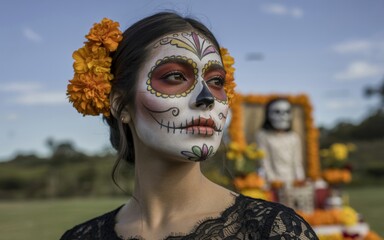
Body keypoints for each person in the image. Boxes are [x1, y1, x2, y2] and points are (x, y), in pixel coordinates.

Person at [61, 12, 318, 239]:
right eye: (175, 76)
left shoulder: (273, 231)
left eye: (216, 81)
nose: (206, 98)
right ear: (120, 105)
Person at [255, 98, 306, 187]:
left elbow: (297, 163)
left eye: (287, 112)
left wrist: (300, 181)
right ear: (268, 114)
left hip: (291, 183)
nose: (282, 116)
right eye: (277, 112)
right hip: (272, 183)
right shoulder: (263, 135)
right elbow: (264, 162)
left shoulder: (294, 137)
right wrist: (274, 182)